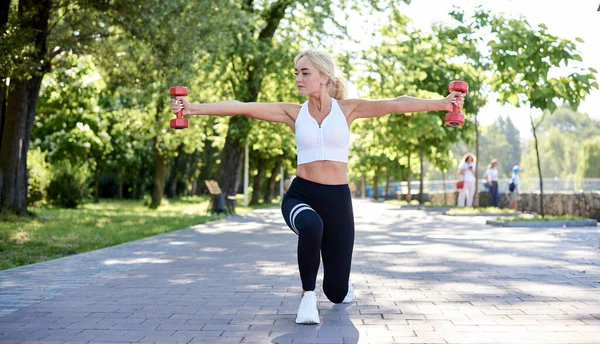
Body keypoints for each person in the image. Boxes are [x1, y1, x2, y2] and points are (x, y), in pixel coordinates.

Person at [171, 48, 465, 325]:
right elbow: (242, 107)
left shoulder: (349, 109)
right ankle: (307, 297)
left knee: (337, 293)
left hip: (338, 200)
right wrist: (192, 108)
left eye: (304, 73)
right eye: (296, 73)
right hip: (302, 194)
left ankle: (337, 286)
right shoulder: (293, 113)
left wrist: (443, 103)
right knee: (310, 226)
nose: (298, 78)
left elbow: (397, 103)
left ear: (324, 77)